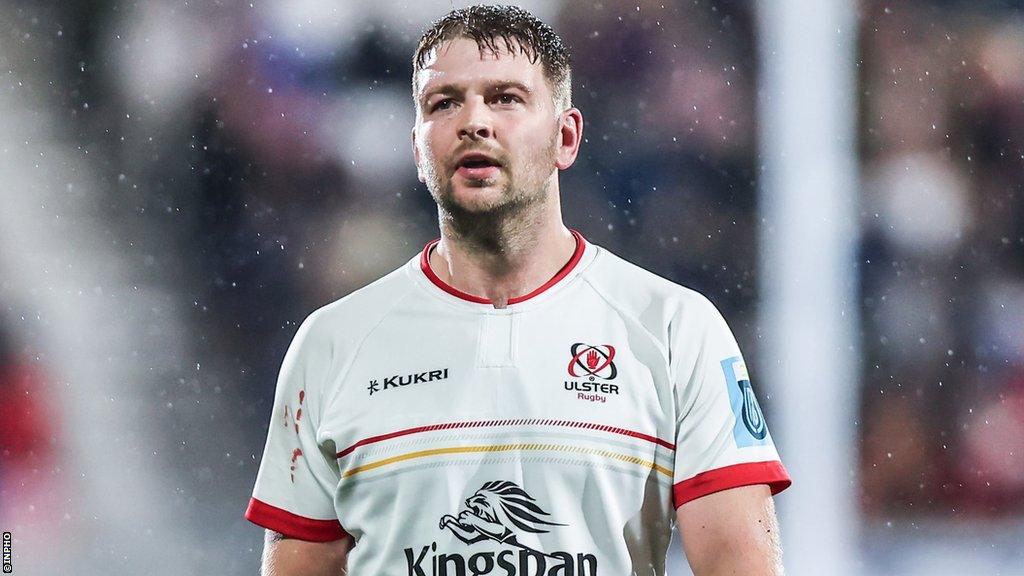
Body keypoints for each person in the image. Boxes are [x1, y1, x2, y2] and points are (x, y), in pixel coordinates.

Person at [245, 5, 791, 575]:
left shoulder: (675, 328)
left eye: (505, 98)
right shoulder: (333, 344)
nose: (473, 121)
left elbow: (740, 564)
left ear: (566, 136)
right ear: (416, 148)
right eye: (444, 102)